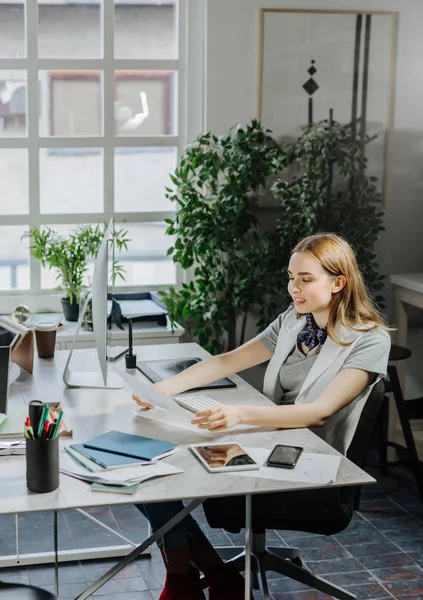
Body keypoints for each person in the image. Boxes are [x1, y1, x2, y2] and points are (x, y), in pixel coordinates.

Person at [132, 233, 391, 600]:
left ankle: (187, 577)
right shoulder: (294, 320)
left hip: (311, 466)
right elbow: (227, 361)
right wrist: (159, 392)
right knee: (145, 463)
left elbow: (319, 413)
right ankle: (209, 573)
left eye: (306, 279)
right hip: (269, 444)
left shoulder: (370, 340)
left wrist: (236, 413)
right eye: (291, 277)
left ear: (338, 282)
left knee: (157, 476)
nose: (293, 289)